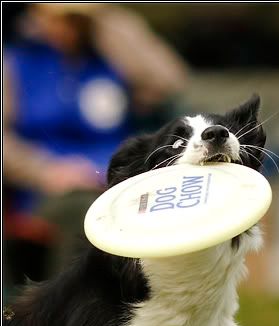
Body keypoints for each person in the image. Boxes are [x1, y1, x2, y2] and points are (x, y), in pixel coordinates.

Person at [3, 3, 188, 291]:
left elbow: (169, 83)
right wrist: (44, 171)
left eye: (77, 18)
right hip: (46, 188)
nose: (68, 27)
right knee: (86, 213)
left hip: (115, 179)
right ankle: (68, 308)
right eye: (59, 18)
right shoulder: (16, 63)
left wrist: (110, 23)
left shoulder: (110, 58)